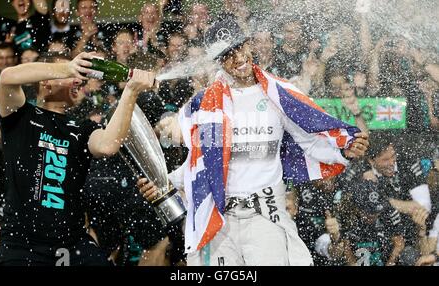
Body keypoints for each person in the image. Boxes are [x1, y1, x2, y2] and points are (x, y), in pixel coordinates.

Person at [141, 17, 369, 266]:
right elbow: (202, 162)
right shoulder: (207, 104)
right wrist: (164, 184)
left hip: (265, 215)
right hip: (218, 218)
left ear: (249, 45)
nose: (237, 58)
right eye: (227, 55)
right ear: (218, 62)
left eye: (239, 48)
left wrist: (343, 152)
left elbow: (311, 143)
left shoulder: (278, 94)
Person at [0, 51, 155, 266]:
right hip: (22, 245)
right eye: (73, 75)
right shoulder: (20, 115)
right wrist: (68, 67)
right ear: (46, 81)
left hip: (71, 244)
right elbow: (7, 77)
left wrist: (131, 92)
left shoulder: (82, 129)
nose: (79, 80)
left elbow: (107, 145)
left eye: (80, 75)